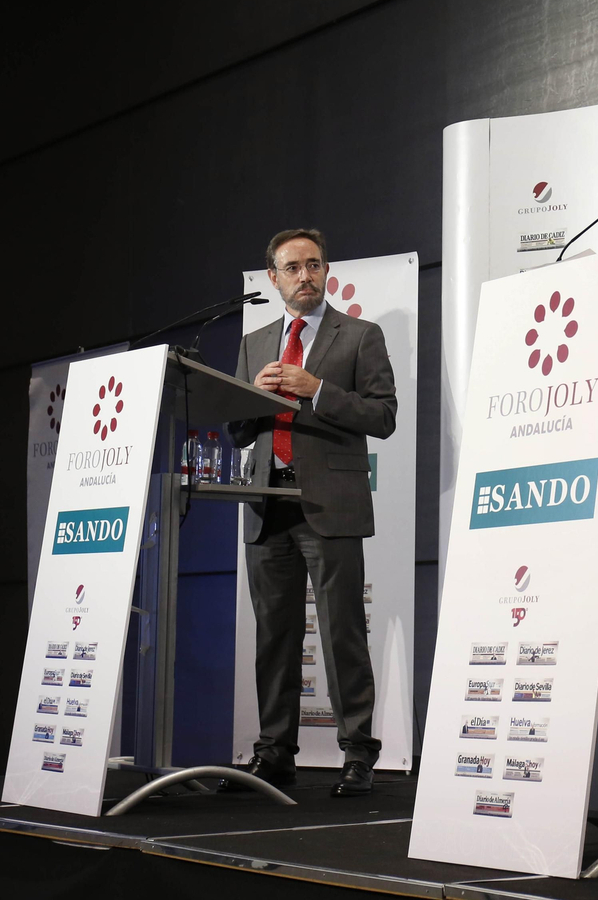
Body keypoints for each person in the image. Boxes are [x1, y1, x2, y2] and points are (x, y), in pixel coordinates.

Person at [221, 228, 397, 798]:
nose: (306, 276)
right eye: (292, 268)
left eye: (314, 265)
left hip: (330, 504)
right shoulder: (256, 341)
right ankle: (274, 755)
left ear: (326, 271)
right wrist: (253, 397)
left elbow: (383, 416)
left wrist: (316, 389)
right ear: (272, 278)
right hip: (268, 505)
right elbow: (235, 427)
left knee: (343, 632)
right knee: (275, 635)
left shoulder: (360, 336)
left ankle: (358, 754)